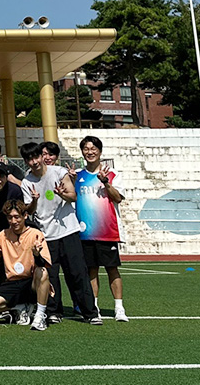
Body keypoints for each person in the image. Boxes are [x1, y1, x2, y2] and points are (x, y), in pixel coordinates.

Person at [20, 141, 101, 325]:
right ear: (26, 161)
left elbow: (73, 196)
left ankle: (90, 312)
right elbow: (29, 210)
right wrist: (33, 200)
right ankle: (54, 312)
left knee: (77, 273)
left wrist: (62, 194)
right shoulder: (27, 182)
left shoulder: (58, 172)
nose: (34, 162)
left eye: (36, 157)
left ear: (42, 156)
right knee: (51, 276)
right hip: (46, 235)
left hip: (68, 231)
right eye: (29, 159)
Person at [76, 135, 128, 321]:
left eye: (93, 149)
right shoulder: (77, 175)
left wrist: (105, 182)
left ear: (100, 151)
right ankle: (93, 307)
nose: (90, 152)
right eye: (86, 149)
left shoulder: (112, 174)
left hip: (108, 231)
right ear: (82, 152)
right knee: (91, 270)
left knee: (112, 269)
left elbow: (118, 198)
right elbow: (70, 198)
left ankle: (119, 308)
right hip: (85, 233)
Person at [0, 200, 51, 331]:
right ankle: (20, 307)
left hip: (31, 282)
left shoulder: (35, 234)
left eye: (17, 217)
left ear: (25, 216)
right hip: (12, 282)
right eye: (10, 217)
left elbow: (43, 263)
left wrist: (36, 254)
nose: (13, 221)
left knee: (43, 272)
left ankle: (40, 316)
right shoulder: (3, 235)